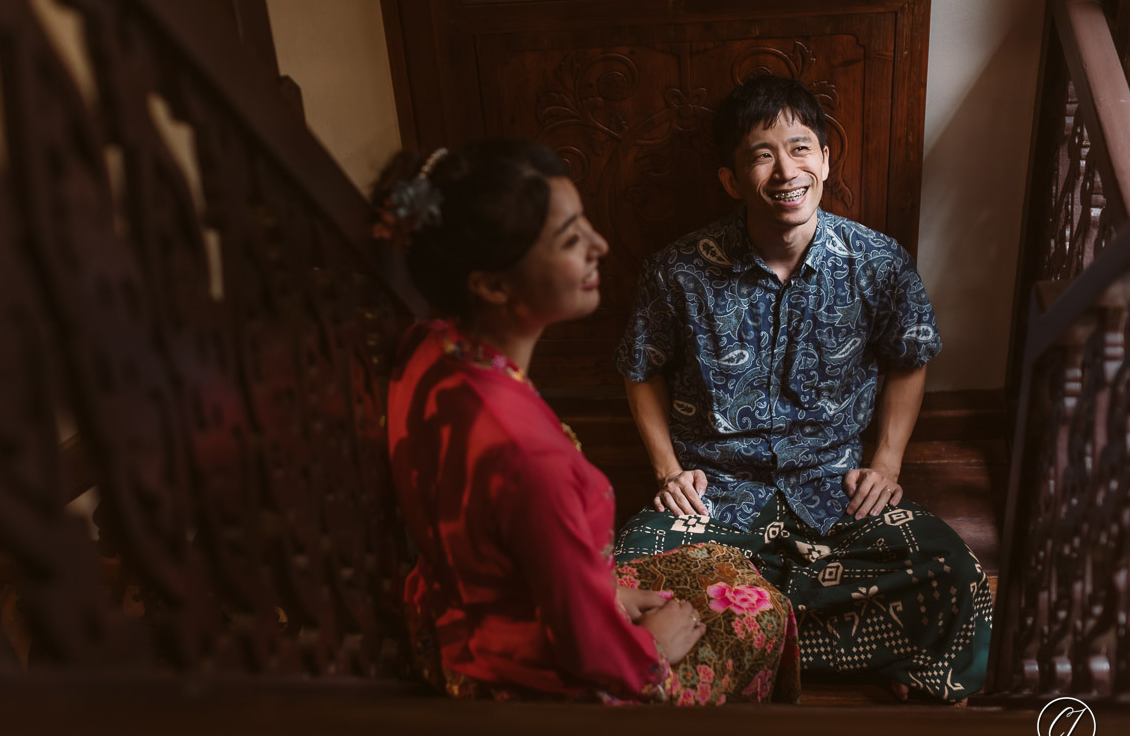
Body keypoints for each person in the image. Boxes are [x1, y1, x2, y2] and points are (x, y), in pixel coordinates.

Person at [378, 140, 799, 704]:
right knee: (760, 611)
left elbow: (503, 542)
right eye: (571, 239)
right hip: (532, 681)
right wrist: (651, 648)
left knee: (719, 560)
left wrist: (605, 592)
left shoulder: (428, 349)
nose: (600, 246)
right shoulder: (530, 458)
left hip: (458, 618)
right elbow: (591, 656)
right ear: (494, 284)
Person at [614, 76, 992, 703]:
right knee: (625, 573)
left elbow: (909, 357)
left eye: (800, 148)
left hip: (834, 487)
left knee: (954, 573)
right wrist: (666, 470)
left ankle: (750, 629)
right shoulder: (677, 270)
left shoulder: (878, 262)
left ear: (824, 158)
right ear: (732, 180)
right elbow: (639, 367)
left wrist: (887, 461)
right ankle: (809, 634)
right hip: (715, 494)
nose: (786, 170)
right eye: (762, 155)